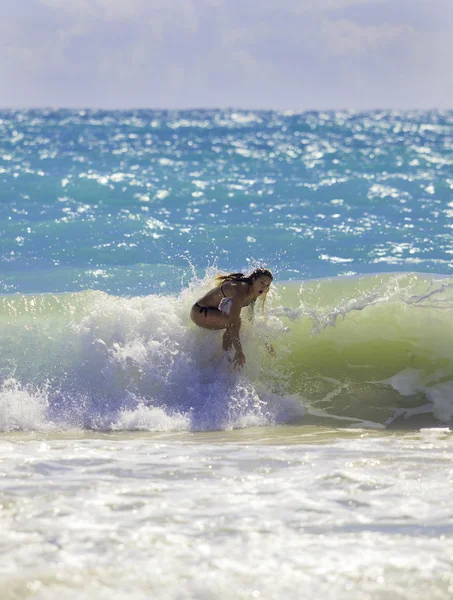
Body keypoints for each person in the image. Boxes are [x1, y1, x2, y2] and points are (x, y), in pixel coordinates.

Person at [190, 268, 273, 369]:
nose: (264, 287)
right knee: (236, 322)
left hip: (212, 312)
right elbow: (233, 324)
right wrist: (239, 351)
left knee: (237, 322)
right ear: (253, 280)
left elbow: (252, 320)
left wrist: (266, 343)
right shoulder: (240, 291)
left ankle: (224, 358)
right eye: (262, 282)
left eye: (267, 285)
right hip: (199, 312)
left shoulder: (254, 293)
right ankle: (225, 359)